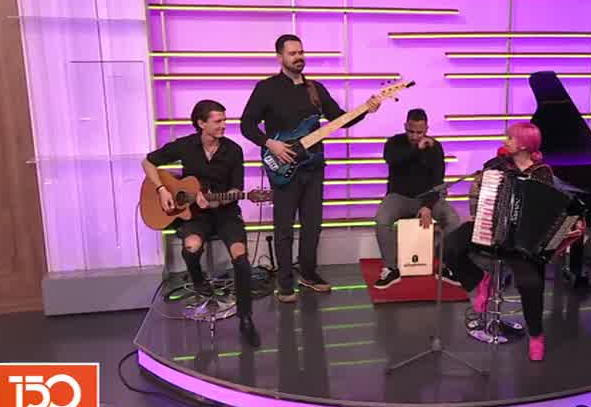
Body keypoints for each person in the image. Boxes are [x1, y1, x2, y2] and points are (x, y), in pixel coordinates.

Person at [240, 34, 381, 303]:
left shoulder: (315, 89)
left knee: (312, 226)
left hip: (314, 166)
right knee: (284, 228)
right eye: (292, 53)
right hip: (283, 166)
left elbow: (340, 119)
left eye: (301, 52)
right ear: (280, 57)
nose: (299, 57)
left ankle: (308, 274)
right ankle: (284, 284)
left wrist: (367, 109)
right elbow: (246, 125)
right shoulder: (266, 88)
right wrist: (271, 144)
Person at [442, 122, 583, 362]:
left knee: (531, 283)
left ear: (524, 145)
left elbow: (564, 204)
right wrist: (480, 211)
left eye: (510, 138)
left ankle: (536, 336)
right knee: (448, 246)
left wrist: (574, 221)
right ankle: (480, 279)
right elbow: (478, 191)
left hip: (523, 243)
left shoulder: (543, 174)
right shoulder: (497, 166)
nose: (504, 141)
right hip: (490, 228)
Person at [142, 100, 260, 347]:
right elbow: (148, 162)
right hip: (195, 215)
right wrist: (162, 190)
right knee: (192, 248)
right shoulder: (186, 146)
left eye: (224, 120)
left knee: (241, 259)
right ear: (201, 123)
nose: (224, 125)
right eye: (218, 121)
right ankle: (200, 284)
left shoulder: (233, 150)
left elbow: (236, 189)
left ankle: (246, 319)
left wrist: (219, 200)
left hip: (226, 214)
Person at [374, 108, 461, 289]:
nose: (414, 136)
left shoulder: (435, 147)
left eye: (419, 132)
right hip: (399, 196)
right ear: (405, 126)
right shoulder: (394, 143)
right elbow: (393, 159)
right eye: (411, 131)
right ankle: (391, 268)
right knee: (382, 219)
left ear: (426, 129)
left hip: (428, 197)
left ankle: (445, 265)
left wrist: (427, 205)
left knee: (453, 219)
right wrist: (416, 149)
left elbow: (438, 181)